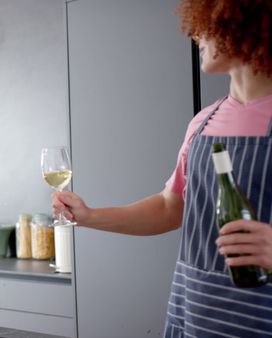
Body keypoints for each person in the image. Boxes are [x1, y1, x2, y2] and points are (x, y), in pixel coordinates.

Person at [52, 1, 272, 337]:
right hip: (192, 314)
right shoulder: (202, 124)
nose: (195, 33)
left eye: (206, 22)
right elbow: (171, 208)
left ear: (243, 20)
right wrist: (88, 216)